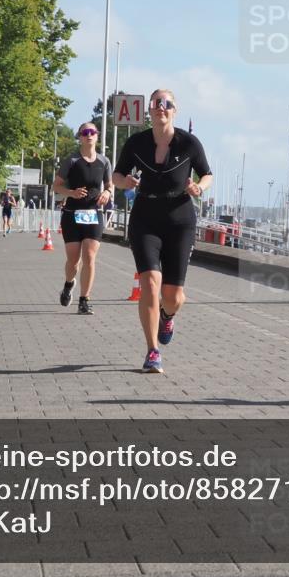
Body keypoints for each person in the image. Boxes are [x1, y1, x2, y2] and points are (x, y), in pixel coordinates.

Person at [112, 89, 213, 374]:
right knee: (150, 286)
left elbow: (207, 173)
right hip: (145, 218)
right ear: (150, 111)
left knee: (174, 296)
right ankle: (152, 351)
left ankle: (167, 316)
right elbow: (116, 176)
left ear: (174, 110)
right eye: (157, 104)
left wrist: (199, 187)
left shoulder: (189, 143)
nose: (161, 108)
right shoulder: (136, 143)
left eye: (167, 104)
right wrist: (126, 182)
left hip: (180, 219)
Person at [53, 123, 113, 315]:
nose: (89, 135)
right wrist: (71, 192)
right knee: (73, 260)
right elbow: (56, 186)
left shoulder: (104, 162)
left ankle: (84, 300)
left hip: (94, 214)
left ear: (97, 136)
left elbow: (110, 186)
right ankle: (69, 284)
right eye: (85, 133)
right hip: (72, 215)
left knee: (89, 256)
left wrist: (106, 193)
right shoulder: (71, 160)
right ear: (79, 136)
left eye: (92, 132)